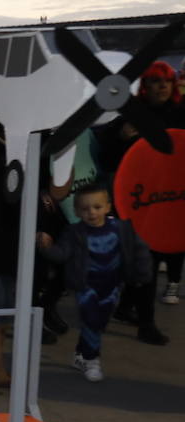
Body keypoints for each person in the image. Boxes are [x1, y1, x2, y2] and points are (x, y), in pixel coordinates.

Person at [94, 59, 183, 331]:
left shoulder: (181, 114)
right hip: (137, 199)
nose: (162, 87)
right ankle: (146, 323)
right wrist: (121, 137)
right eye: (156, 82)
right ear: (145, 86)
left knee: (149, 259)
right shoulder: (131, 114)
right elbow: (107, 159)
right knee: (146, 259)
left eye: (166, 82)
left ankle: (126, 308)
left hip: (171, 197)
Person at [37, 184, 155, 381]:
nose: (92, 212)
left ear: (108, 206)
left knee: (98, 323)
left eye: (97, 207)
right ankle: (91, 360)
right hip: (86, 286)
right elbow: (61, 254)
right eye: (85, 209)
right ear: (76, 211)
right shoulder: (74, 233)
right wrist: (46, 248)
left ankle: (80, 355)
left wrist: (142, 274)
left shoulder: (121, 228)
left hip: (112, 286)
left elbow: (140, 250)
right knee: (91, 320)